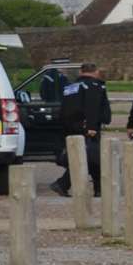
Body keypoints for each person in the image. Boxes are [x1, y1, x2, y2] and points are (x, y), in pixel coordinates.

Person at [52, 62, 110, 197]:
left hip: (71, 126)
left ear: (80, 72)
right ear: (95, 72)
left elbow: (65, 108)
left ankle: (99, 189)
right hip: (88, 128)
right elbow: (92, 107)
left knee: (90, 158)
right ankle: (62, 183)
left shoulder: (71, 86)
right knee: (90, 158)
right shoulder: (95, 86)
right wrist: (91, 126)